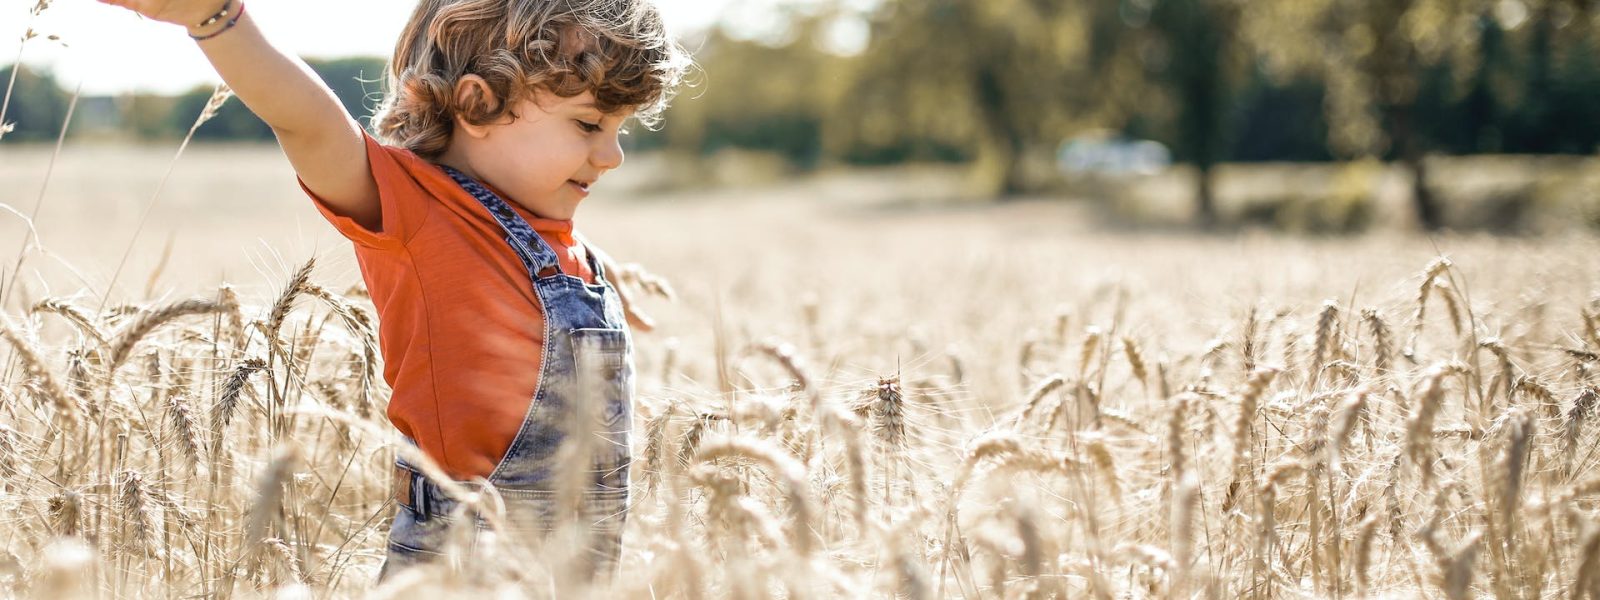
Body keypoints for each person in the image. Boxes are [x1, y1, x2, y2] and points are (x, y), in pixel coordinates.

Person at [95, 0, 691, 583]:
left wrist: (600, 275)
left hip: (575, 565)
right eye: (589, 123)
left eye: (620, 128)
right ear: (478, 105)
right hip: (459, 563)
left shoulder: (554, 233)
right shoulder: (416, 213)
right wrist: (216, 17)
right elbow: (309, 123)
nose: (611, 155)